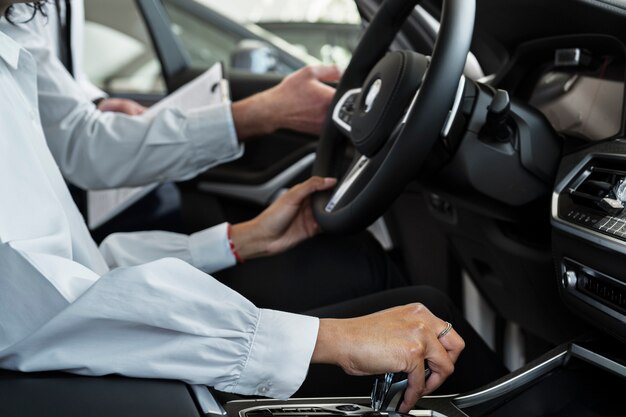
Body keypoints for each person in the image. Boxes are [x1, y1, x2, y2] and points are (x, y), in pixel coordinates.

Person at [0, 2, 511, 412]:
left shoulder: (17, 28)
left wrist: (237, 241)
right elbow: (38, 306)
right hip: (86, 376)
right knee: (435, 323)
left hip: (89, 342)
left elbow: (67, 266)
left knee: (360, 266)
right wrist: (326, 341)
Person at [0, 1, 411, 312]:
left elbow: (84, 269)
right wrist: (322, 344)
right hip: (96, 348)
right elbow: (57, 308)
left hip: (100, 306)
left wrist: (240, 240)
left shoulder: (21, 42)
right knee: (403, 294)